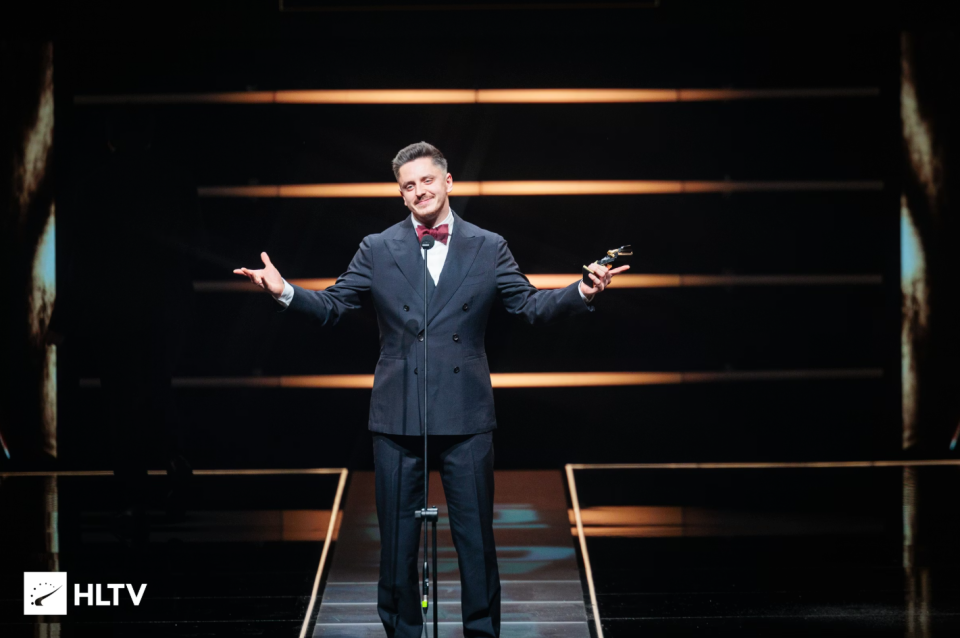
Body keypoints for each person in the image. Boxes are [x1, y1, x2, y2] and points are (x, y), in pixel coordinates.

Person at [234, 142, 628, 638]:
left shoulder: (489, 246)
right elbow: (334, 305)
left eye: (426, 180)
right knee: (398, 542)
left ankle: (481, 631)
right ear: (401, 195)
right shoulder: (378, 247)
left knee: (475, 540)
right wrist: (284, 292)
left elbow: (529, 305)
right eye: (408, 185)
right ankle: (403, 631)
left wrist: (583, 291)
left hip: (466, 413)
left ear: (447, 182)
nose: (419, 191)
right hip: (398, 412)